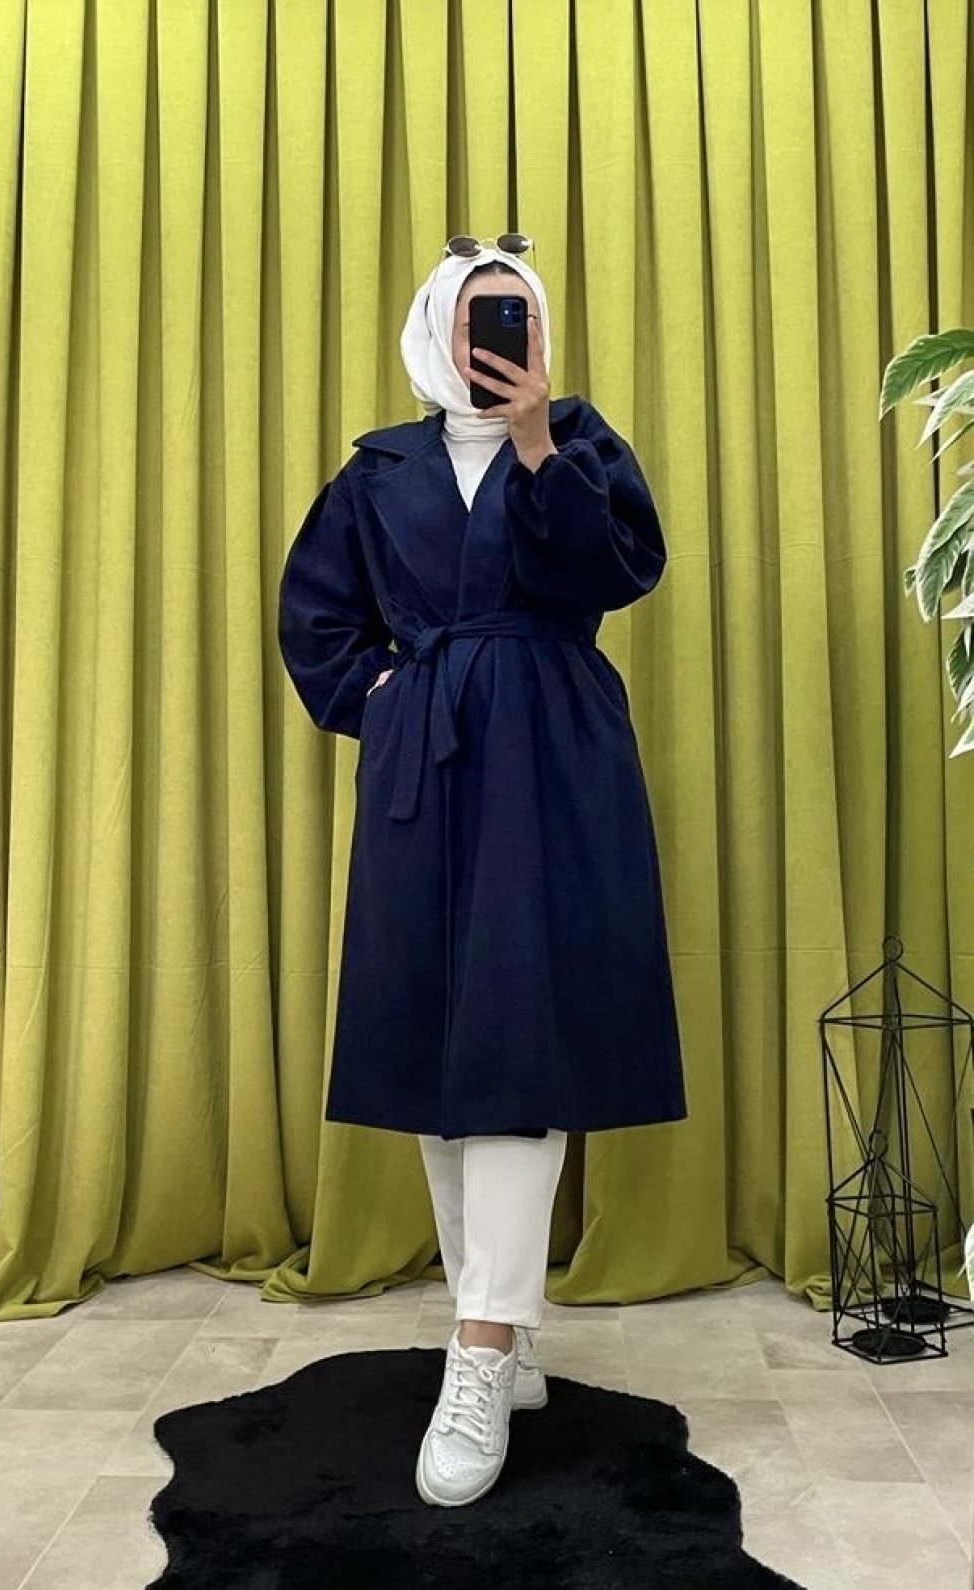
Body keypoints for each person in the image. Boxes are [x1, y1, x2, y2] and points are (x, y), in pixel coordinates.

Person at [277, 237, 688, 1509]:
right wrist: (384, 697)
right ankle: (497, 1331)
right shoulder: (377, 470)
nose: (496, 338)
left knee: (520, 1034)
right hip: (427, 757)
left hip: (553, 752)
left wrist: (534, 441)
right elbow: (315, 617)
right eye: (476, 317)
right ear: (434, 330)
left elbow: (617, 571)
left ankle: (482, 1344)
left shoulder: (579, 445)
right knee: (436, 1050)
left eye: (515, 317)